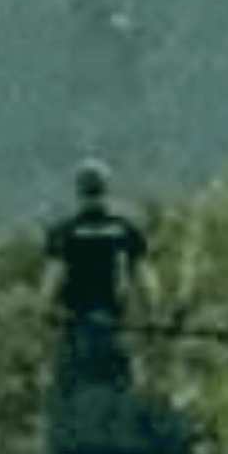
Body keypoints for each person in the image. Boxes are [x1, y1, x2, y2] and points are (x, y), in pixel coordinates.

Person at [43, 160, 148, 388]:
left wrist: (46, 312)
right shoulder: (126, 230)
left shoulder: (64, 232)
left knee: (58, 386)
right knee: (133, 386)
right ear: (106, 190)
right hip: (116, 327)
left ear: (78, 191)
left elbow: (50, 287)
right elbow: (147, 284)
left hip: (76, 327)